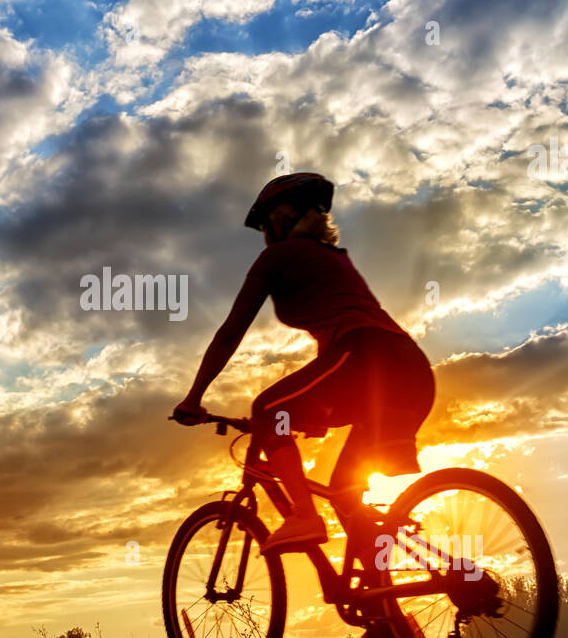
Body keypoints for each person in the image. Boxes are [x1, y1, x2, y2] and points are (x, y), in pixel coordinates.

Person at [172, 172, 436, 559]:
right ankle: (388, 606)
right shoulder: (336, 260)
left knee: (267, 410)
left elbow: (231, 332)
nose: (264, 234)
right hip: (410, 372)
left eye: (265, 223)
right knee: (346, 494)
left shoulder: (277, 256)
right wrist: (317, 413)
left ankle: (304, 515)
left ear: (284, 217)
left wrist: (193, 398)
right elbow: (333, 347)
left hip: (366, 357)